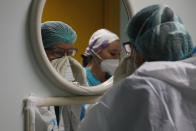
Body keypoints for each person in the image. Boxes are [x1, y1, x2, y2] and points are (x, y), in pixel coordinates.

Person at [78, 4, 196, 131]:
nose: (121, 58)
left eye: (130, 48)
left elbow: (93, 125)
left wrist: (120, 91)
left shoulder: (140, 87)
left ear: (143, 51)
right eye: (113, 53)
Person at [40, 21, 87, 131]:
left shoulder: (69, 73)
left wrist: (80, 81)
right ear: (40, 50)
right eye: (58, 52)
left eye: (70, 52)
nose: (65, 59)